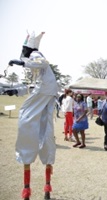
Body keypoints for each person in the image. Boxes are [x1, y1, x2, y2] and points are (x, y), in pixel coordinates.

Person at [8, 31, 58, 200]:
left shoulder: (36, 56)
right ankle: (42, 188)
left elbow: (42, 62)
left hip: (44, 95)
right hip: (44, 96)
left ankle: (38, 189)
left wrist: (22, 63)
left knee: (26, 123)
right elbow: (32, 86)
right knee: (46, 137)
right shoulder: (37, 70)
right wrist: (15, 90)